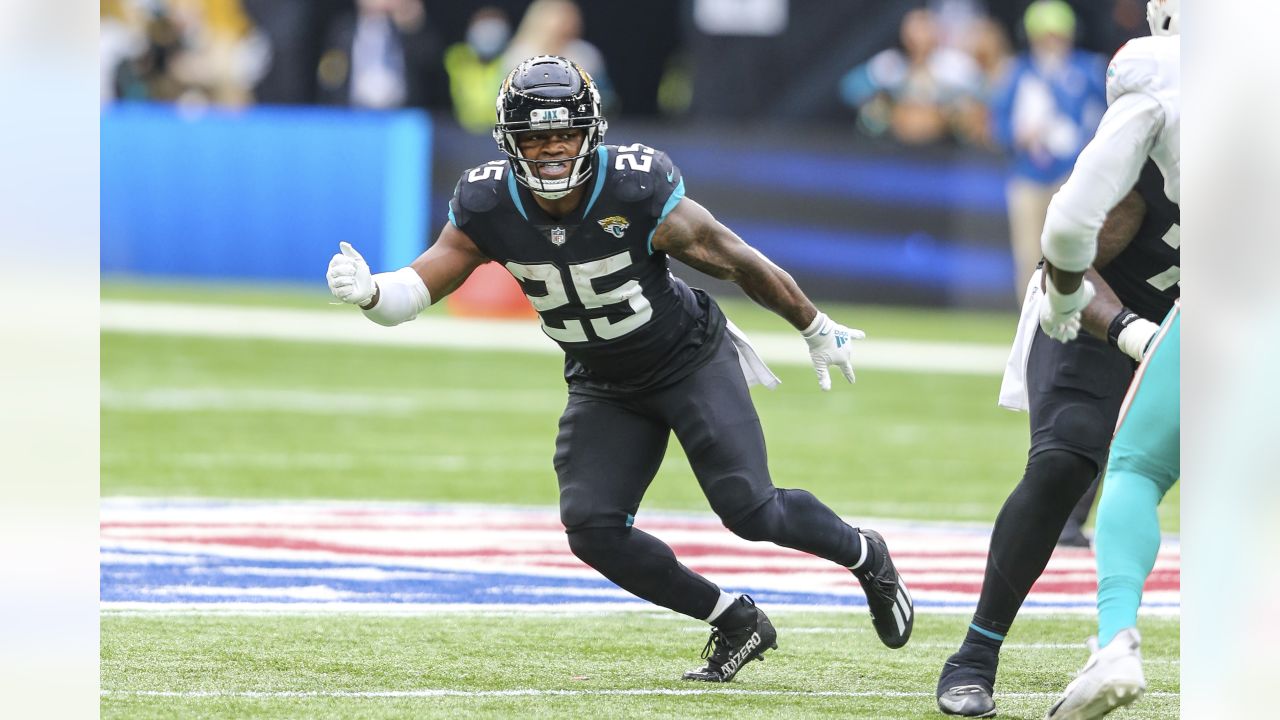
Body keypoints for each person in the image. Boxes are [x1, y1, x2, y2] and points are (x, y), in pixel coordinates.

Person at [325, 55, 914, 682]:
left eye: (563, 133)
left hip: (687, 358)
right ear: (509, 141)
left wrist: (813, 324)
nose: (551, 149)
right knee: (591, 528)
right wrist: (371, 293)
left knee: (749, 510)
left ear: (590, 133)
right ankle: (733, 619)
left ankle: (865, 554)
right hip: (604, 381)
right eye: (534, 135)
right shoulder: (488, 201)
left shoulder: (635, 185)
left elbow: (734, 258)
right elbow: (419, 287)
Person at [935, 7, 1180, 717]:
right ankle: (975, 652)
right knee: (1064, 463)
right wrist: (1134, 334)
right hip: (1098, 319)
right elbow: (1063, 260)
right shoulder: (1157, 131)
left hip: (1195, 326)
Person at [1040, 1, 1180, 717]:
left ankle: (1116, 640)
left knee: (1136, 469)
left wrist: (1063, 296)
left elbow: (1068, 223)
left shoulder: (1160, 69)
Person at [988, 0, 1107, 301]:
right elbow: (998, 125)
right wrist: (1018, 136)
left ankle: (1076, 313)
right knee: (1028, 252)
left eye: (1057, 35)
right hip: (1027, 173)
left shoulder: (1089, 69)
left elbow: (1108, 116)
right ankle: (1030, 320)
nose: (1052, 43)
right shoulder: (1016, 72)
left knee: (1074, 250)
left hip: (1072, 173)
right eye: (1045, 36)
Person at [838, 8, 984, 145]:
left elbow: (985, 93)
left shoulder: (955, 66)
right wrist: (883, 107)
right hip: (894, 144)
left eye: (924, 28)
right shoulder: (891, 63)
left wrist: (952, 110)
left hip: (947, 146)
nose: (918, 37)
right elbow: (849, 88)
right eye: (913, 30)